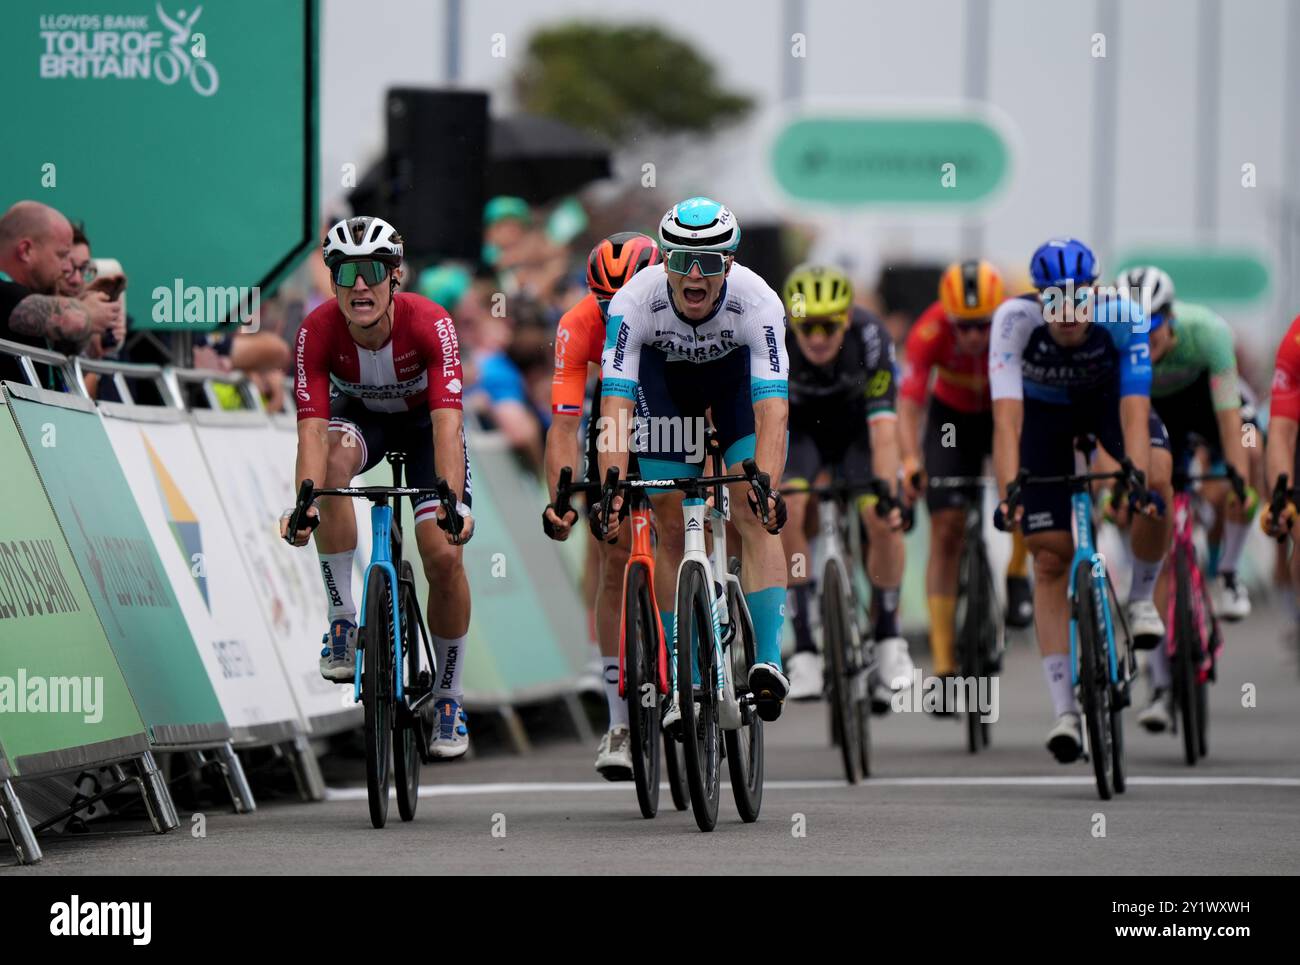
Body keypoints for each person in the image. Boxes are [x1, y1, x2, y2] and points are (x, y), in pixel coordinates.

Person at [281, 216, 477, 760]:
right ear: (333, 280)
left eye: (372, 271)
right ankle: (343, 619)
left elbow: (447, 427)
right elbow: (312, 432)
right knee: (332, 472)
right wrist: (305, 501)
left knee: (443, 556)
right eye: (345, 272)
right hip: (361, 420)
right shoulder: (316, 330)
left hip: (423, 429)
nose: (359, 285)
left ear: (395, 277)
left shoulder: (429, 322)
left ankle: (448, 696)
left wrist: (452, 505)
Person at [595, 197, 792, 721]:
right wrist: (612, 481)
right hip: (665, 392)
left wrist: (766, 484)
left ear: (731, 263)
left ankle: (768, 662)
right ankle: (688, 679)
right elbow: (615, 400)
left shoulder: (759, 300)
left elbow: (772, 406)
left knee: (752, 511)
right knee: (669, 518)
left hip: (733, 392)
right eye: (683, 260)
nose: (696, 274)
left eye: (710, 262)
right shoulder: (634, 301)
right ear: (664, 260)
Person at [990, 237, 1169, 763]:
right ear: (1037, 296)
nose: (1067, 314)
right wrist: (1010, 494)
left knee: (1157, 476)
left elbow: (1136, 409)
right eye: (1054, 301)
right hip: (1044, 420)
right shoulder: (1012, 320)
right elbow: (1007, 420)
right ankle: (1066, 710)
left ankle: (1140, 599)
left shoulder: (1125, 316)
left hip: (1107, 407)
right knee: (1048, 555)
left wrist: (1133, 475)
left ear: (1096, 292)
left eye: (1077, 300)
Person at [542, 231, 662, 779]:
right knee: (613, 551)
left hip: (673, 396)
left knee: (695, 513)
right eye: (606, 302)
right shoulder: (577, 324)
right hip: (613, 410)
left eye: (628, 298)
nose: (618, 313)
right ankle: (618, 721)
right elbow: (565, 424)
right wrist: (562, 499)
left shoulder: (677, 307)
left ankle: (704, 628)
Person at [898, 260, 1034, 698]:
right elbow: (909, 403)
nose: (975, 337)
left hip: (1003, 411)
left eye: (983, 326)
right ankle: (942, 664)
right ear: (948, 317)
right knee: (946, 529)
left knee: (1022, 493)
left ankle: (1017, 571)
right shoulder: (930, 331)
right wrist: (909, 459)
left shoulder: (1019, 323)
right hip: (951, 421)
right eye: (965, 327)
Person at [777, 264, 910, 707]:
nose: (817, 337)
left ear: (847, 320)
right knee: (788, 510)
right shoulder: (773, 337)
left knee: (881, 515)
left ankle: (890, 638)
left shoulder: (871, 338)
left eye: (828, 326)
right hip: (803, 433)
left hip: (858, 433)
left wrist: (889, 489)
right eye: (807, 327)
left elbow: (885, 429)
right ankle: (805, 650)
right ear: (792, 323)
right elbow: (764, 423)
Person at [0, 202, 112, 381]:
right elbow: (72, 319)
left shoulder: (34, 298)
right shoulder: (6, 294)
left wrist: (92, 342)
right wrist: (89, 313)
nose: (66, 267)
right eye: (61, 255)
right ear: (26, 250)